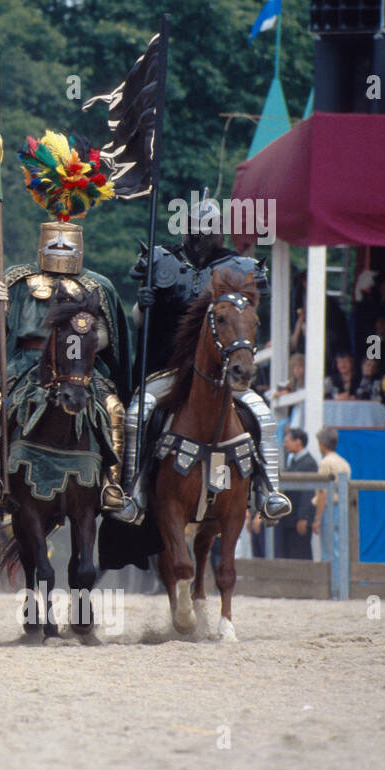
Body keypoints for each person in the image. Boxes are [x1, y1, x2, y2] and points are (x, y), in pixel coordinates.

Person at [115, 196, 288, 524]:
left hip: (220, 374)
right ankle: (132, 492)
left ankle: (269, 492)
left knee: (263, 417)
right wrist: (142, 305)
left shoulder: (239, 269)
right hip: (167, 371)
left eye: (205, 231)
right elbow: (139, 322)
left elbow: (247, 318)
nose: (197, 239)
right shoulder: (160, 261)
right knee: (137, 417)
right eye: (193, 231)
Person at [0, 190, 132, 513]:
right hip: (25, 362)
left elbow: (108, 336)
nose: (61, 250)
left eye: (67, 245)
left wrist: (83, 341)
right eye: (55, 244)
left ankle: (112, 483)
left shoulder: (96, 285)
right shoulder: (18, 279)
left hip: (79, 365)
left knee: (114, 409)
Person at [276, 427, 318, 559]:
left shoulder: (309, 463)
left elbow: (308, 493)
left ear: (298, 442)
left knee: (301, 554)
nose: (285, 444)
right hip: (289, 519)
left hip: (298, 520)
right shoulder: (293, 461)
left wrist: (303, 518)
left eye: (287, 441)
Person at [312, 426, 350, 551]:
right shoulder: (344, 462)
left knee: (328, 548)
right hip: (342, 507)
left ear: (322, 444)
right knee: (339, 546)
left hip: (329, 507)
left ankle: (331, 571)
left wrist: (317, 518)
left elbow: (323, 492)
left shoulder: (325, 463)